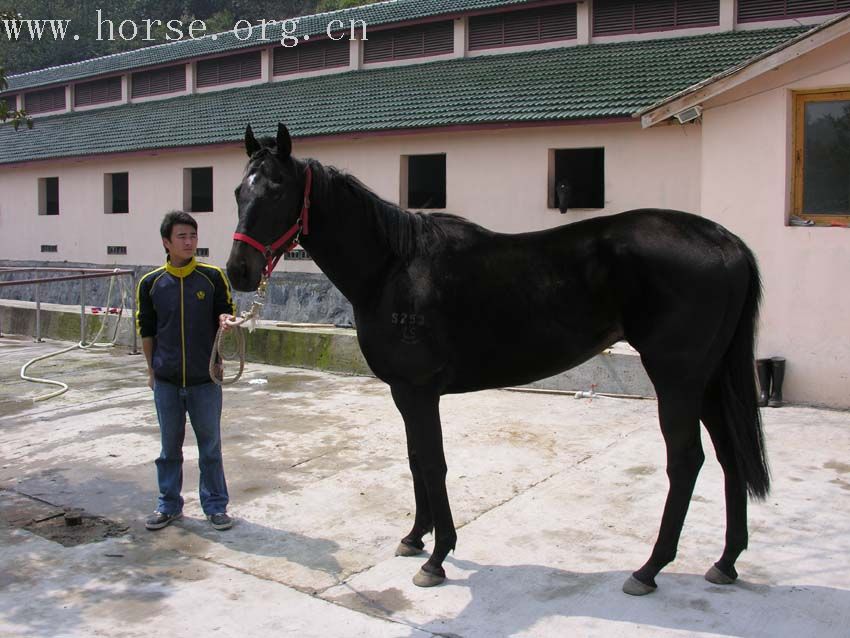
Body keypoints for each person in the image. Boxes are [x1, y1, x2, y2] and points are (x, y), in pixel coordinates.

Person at [136, 211, 237, 531]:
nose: (189, 241)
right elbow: (147, 330)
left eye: (192, 236)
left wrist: (226, 321)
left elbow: (226, 312)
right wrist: (151, 371)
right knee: (169, 449)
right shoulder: (151, 283)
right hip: (166, 381)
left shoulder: (212, 277)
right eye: (181, 236)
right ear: (166, 242)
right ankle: (168, 505)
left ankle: (216, 506)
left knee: (210, 449)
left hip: (205, 380)